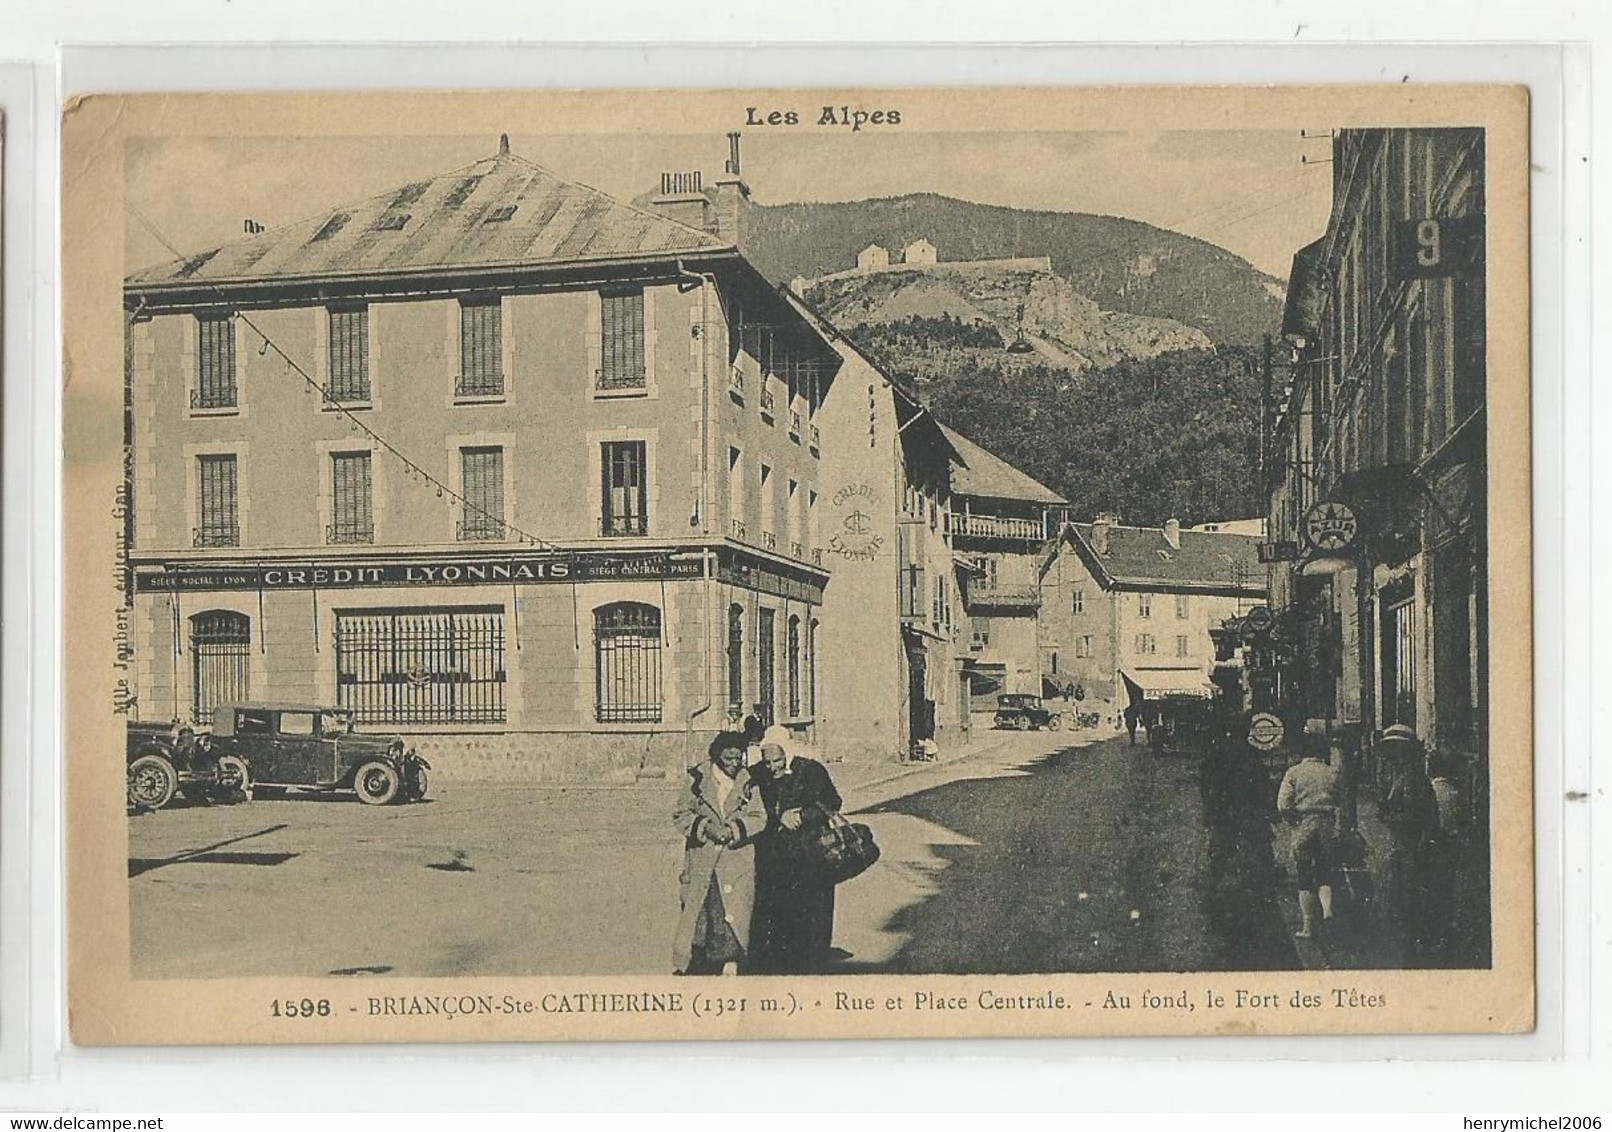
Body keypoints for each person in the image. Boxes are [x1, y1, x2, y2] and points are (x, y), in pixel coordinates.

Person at [749, 725, 844, 973]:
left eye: (777, 760)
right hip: (774, 856)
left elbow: (833, 802)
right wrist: (777, 816)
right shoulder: (757, 775)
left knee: (813, 911)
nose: (773, 767)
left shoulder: (811, 770)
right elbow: (750, 809)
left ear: (787, 753)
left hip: (811, 854)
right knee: (776, 910)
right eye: (768, 762)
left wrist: (803, 814)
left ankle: (813, 963)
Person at [672, 732, 768, 975]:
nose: (734, 763)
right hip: (703, 857)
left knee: (733, 911)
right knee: (703, 909)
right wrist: (706, 827)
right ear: (717, 757)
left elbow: (759, 817)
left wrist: (733, 830)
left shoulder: (748, 781)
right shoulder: (697, 778)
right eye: (728, 758)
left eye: (738, 758)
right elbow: (681, 815)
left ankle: (730, 960)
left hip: (736, 858)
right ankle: (698, 960)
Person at [1198, 713, 1281, 960]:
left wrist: (1211, 811)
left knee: (1218, 861)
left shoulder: (1215, 755)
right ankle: (1259, 911)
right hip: (1248, 819)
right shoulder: (1251, 757)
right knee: (1260, 862)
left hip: (1223, 819)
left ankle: (1213, 905)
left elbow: (1206, 786)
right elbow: (1263, 790)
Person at [1379, 724, 1440, 965]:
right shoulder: (1405, 775)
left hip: (1412, 851)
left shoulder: (1412, 778)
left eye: (1396, 750)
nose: (1392, 756)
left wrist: (1388, 816)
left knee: (1407, 905)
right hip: (1407, 849)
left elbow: (1414, 816)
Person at [1276, 733, 1340, 940]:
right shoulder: (1332, 772)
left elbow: (1283, 804)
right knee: (1324, 870)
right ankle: (1328, 911)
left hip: (1303, 824)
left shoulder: (1294, 772)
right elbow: (1339, 799)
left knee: (1304, 875)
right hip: (1326, 825)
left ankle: (1307, 927)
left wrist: (1293, 819)